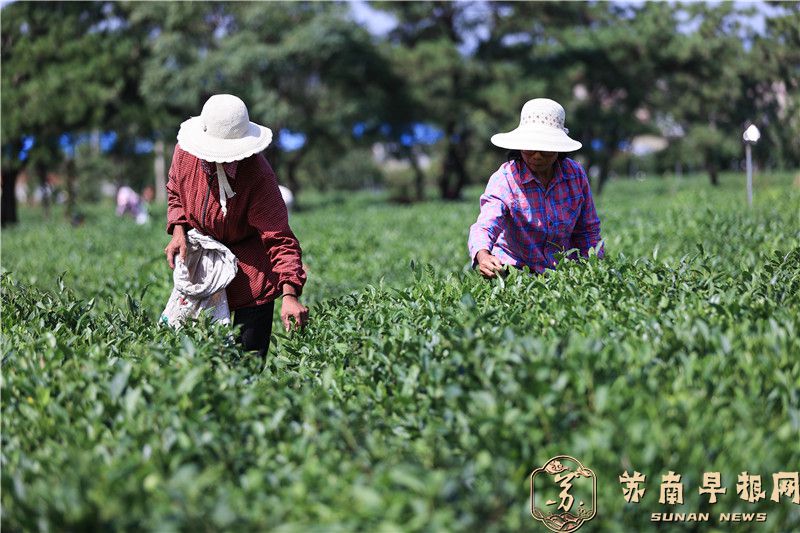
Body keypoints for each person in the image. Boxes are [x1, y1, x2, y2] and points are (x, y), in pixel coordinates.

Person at [164, 94, 308, 358]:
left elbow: (280, 238)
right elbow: (175, 192)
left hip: (251, 272)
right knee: (197, 358)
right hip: (203, 266)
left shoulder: (258, 175)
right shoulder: (184, 154)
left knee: (247, 363)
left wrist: (290, 294)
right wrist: (178, 230)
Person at [468, 98, 603, 278]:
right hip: (513, 272)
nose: (537, 156)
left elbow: (587, 231)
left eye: (545, 149)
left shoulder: (575, 175)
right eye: (530, 148)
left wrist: (594, 269)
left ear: (558, 148)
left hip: (562, 275)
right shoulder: (505, 179)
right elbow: (486, 225)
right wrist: (483, 255)